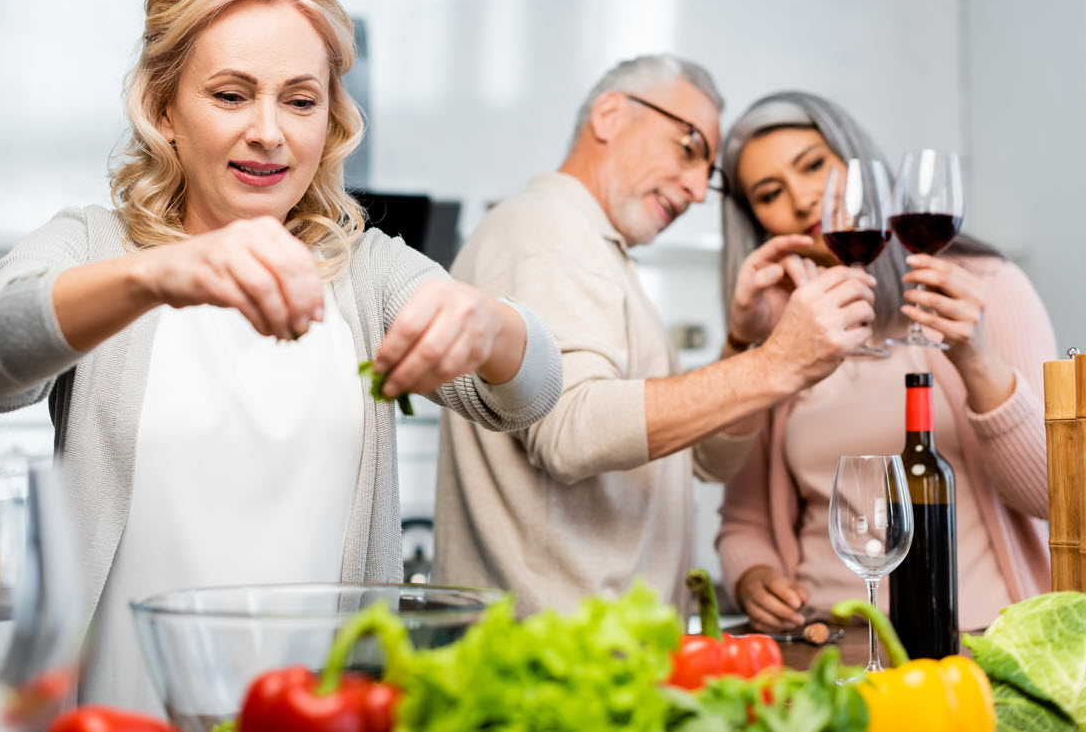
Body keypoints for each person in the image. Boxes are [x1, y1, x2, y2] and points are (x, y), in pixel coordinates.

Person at [0, 0, 562, 712]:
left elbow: (529, 393)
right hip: (119, 713)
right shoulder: (96, 247)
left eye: (299, 101)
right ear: (164, 110)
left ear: (329, 119)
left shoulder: (366, 270)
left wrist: (489, 323)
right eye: (231, 95)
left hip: (319, 714)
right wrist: (159, 275)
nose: (268, 132)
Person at [435, 56, 879, 617]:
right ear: (610, 114)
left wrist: (746, 345)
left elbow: (707, 461)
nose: (697, 191)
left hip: (598, 655)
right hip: (565, 663)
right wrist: (776, 365)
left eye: (708, 172)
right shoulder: (548, 231)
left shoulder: (596, 250)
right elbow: (567, 430)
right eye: (689, 147)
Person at [714, 90, 1054, 633]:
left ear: (858, 166)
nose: (803, 199)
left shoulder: (990, 286)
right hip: (828, 640)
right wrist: (752, 577)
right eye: (771, 193)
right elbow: (743, 519)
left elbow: (1051, 495)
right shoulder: (779, 333)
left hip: (981, 641)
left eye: (814, 166)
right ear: (757, 222)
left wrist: (976, 358)